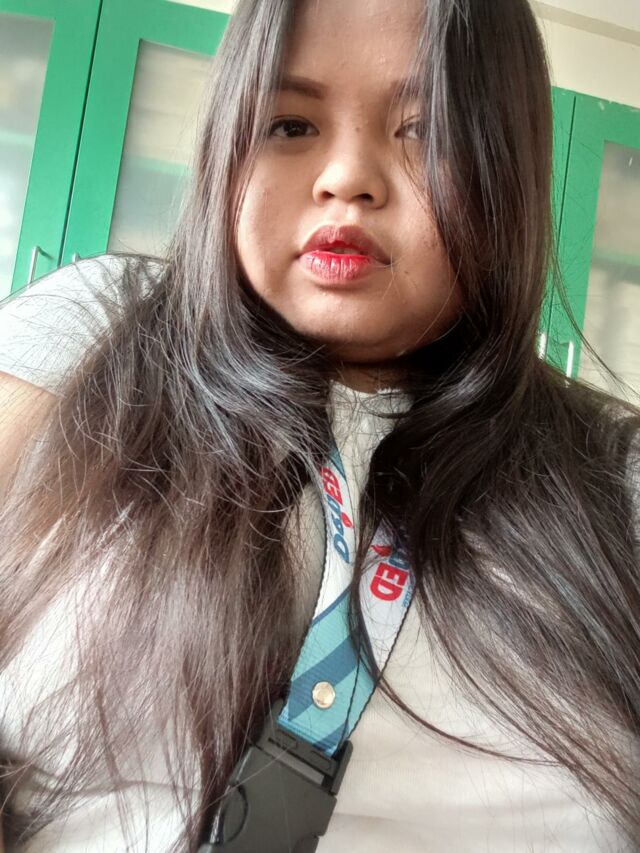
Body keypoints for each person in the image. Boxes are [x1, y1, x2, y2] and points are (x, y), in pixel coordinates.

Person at [0, 0, 638, 850]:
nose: (347, 177)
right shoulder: (92, 330)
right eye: (291, 124)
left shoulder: (618, 474)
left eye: (428, 133)